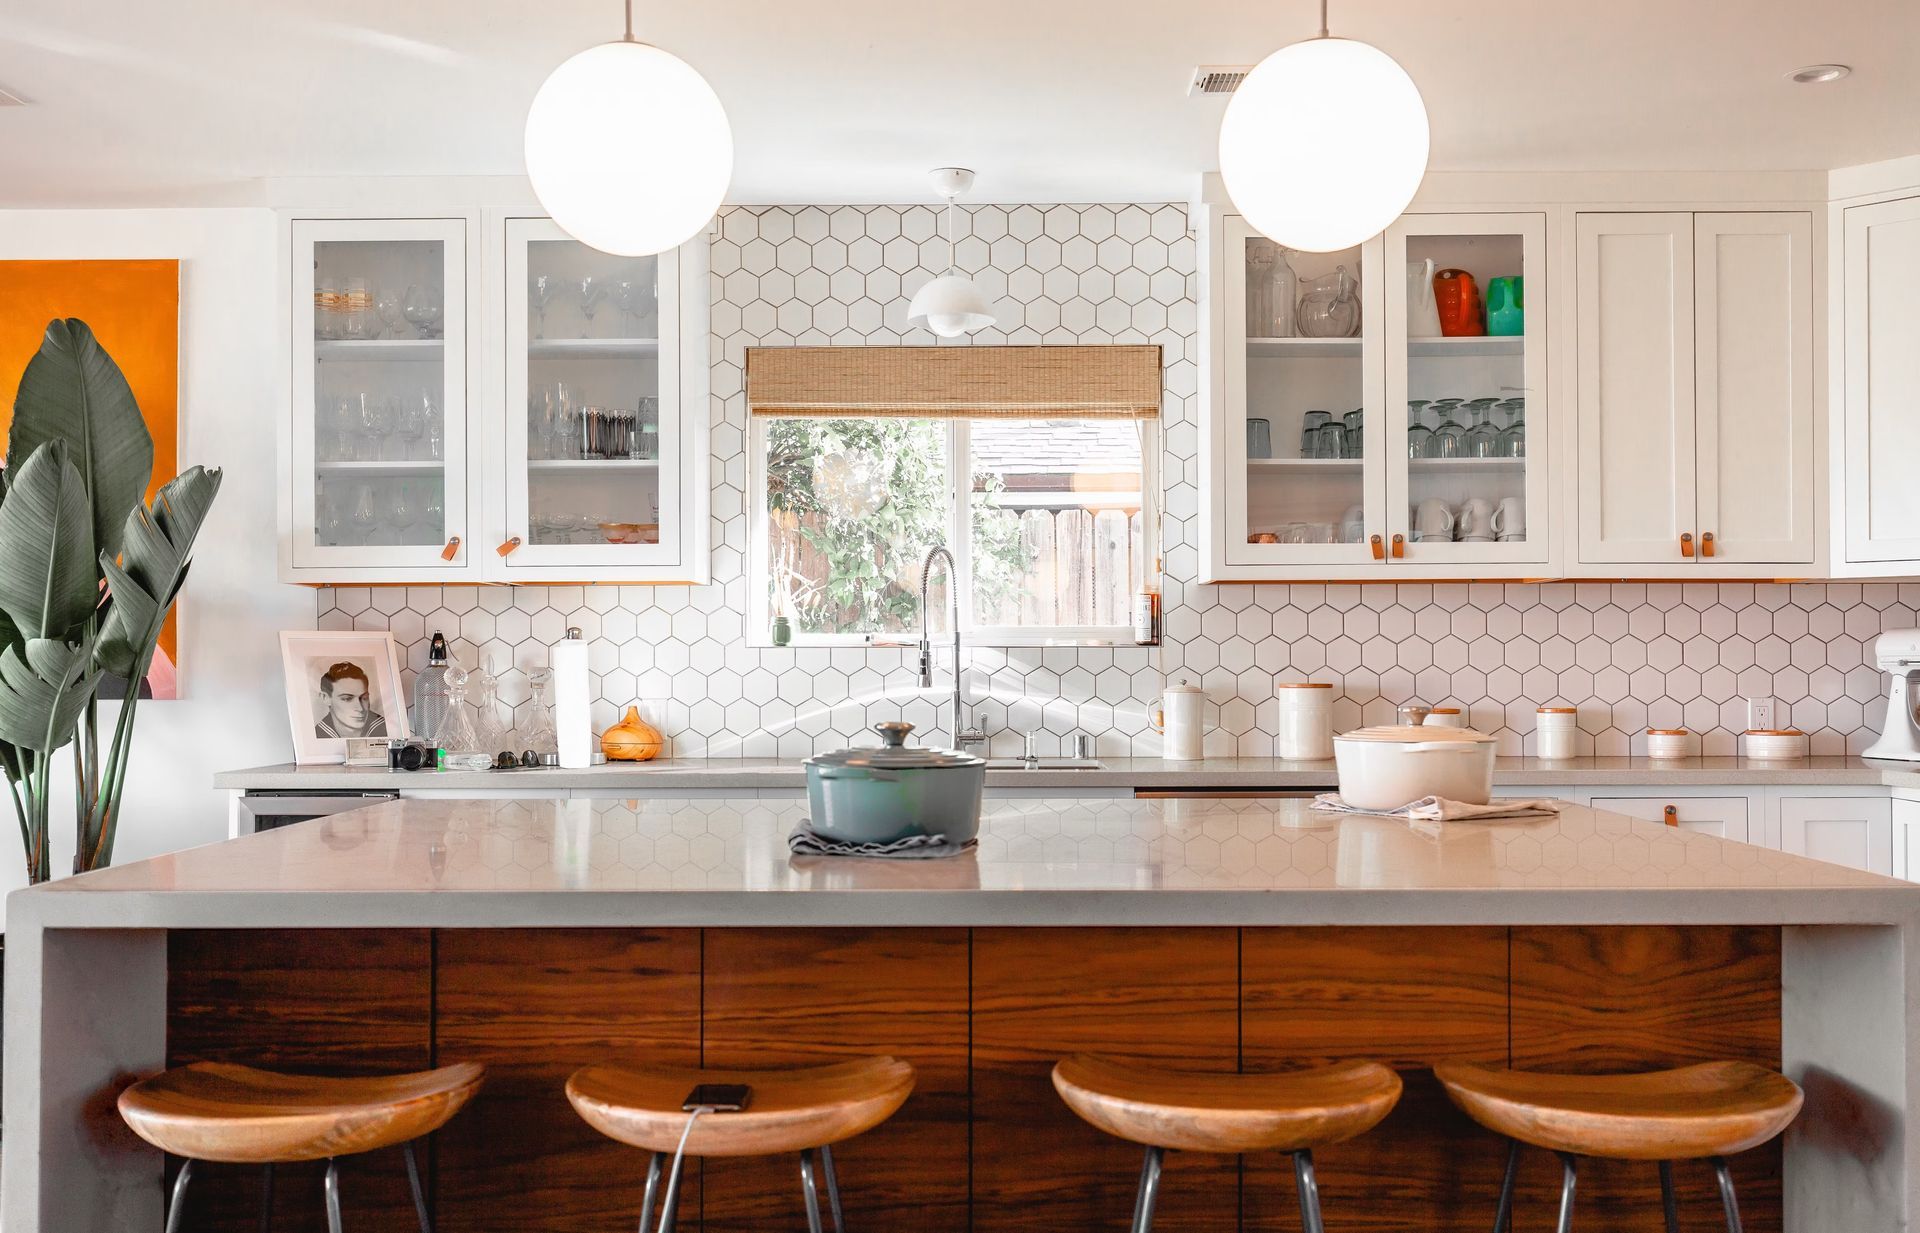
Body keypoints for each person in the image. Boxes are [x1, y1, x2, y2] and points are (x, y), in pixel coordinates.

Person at [314, 661, 387, 738]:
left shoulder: (386, 728)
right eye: (347, 699)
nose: (360, 708)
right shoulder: (316, 736)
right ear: (325, 698)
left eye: (364, 698)